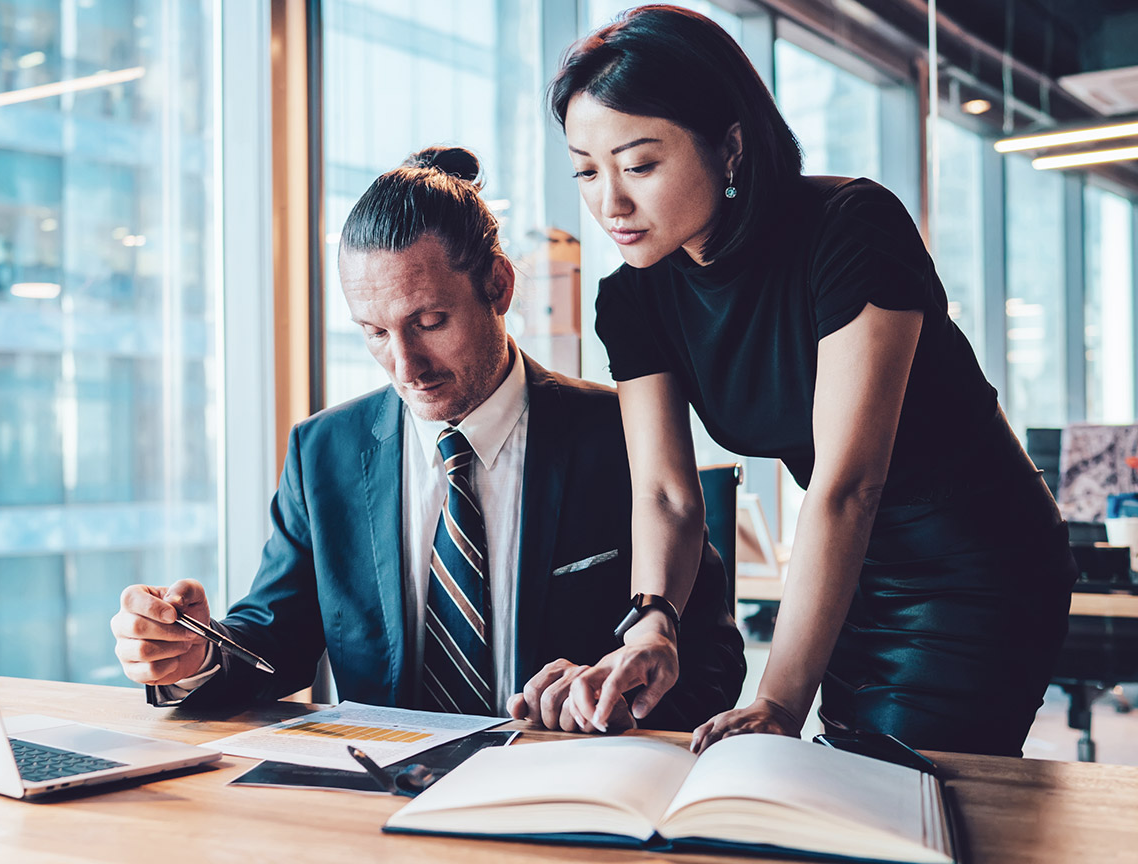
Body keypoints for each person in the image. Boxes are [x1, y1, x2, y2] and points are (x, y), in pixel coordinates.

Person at [548, 5, 1077, 756]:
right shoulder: (634, 296)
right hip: (845, 572)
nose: (610, 202)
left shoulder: (852, 227)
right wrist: (653, 618)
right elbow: (665, 493)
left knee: (910, 777)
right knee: (851, 781)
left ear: (729, 148)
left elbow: (847, 482)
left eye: (639, 165)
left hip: (973, 564)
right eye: (586, 170)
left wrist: (778, 699)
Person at [111, 146, 745, 732]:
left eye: (429, 322)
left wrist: (613, 702)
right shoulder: (323, 453)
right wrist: (194, 652)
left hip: (558, 794)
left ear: (498, 286)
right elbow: (274, 642)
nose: (406, 366)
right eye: (375, 333)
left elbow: (715, 662)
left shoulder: (622, 436)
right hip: (379, 807)